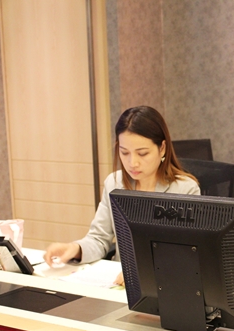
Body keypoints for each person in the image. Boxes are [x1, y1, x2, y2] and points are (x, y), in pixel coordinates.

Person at [43, 106, 200, 284]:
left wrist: (145, 273)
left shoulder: (185, 189)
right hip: (118, 284)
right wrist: (75, 249)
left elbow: (186, 255)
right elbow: (99, 239)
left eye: (142, 153)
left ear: (162, 148)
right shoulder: (114, 183)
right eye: (124, 152)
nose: (132, 162)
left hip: (165, 285)